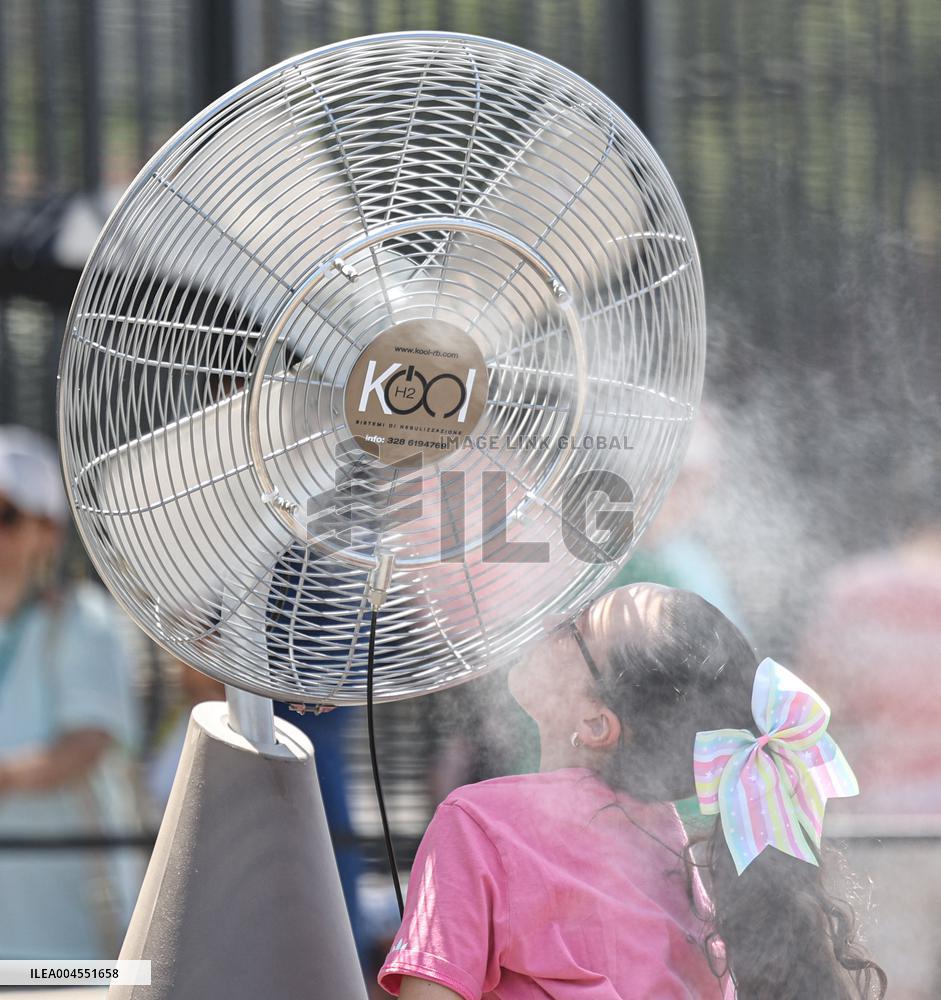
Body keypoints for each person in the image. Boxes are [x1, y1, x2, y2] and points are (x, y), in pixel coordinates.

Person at [377, 583, 886, 999]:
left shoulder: (479, 825)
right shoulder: (679, 855)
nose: (553, 618)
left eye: (574, 630)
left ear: (597, 723)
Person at [0, 425, 142, 959]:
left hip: (69, 935)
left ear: (48, 532)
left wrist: (7, 776)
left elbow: (88, 743)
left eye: (6, 515)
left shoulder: (86, 622)